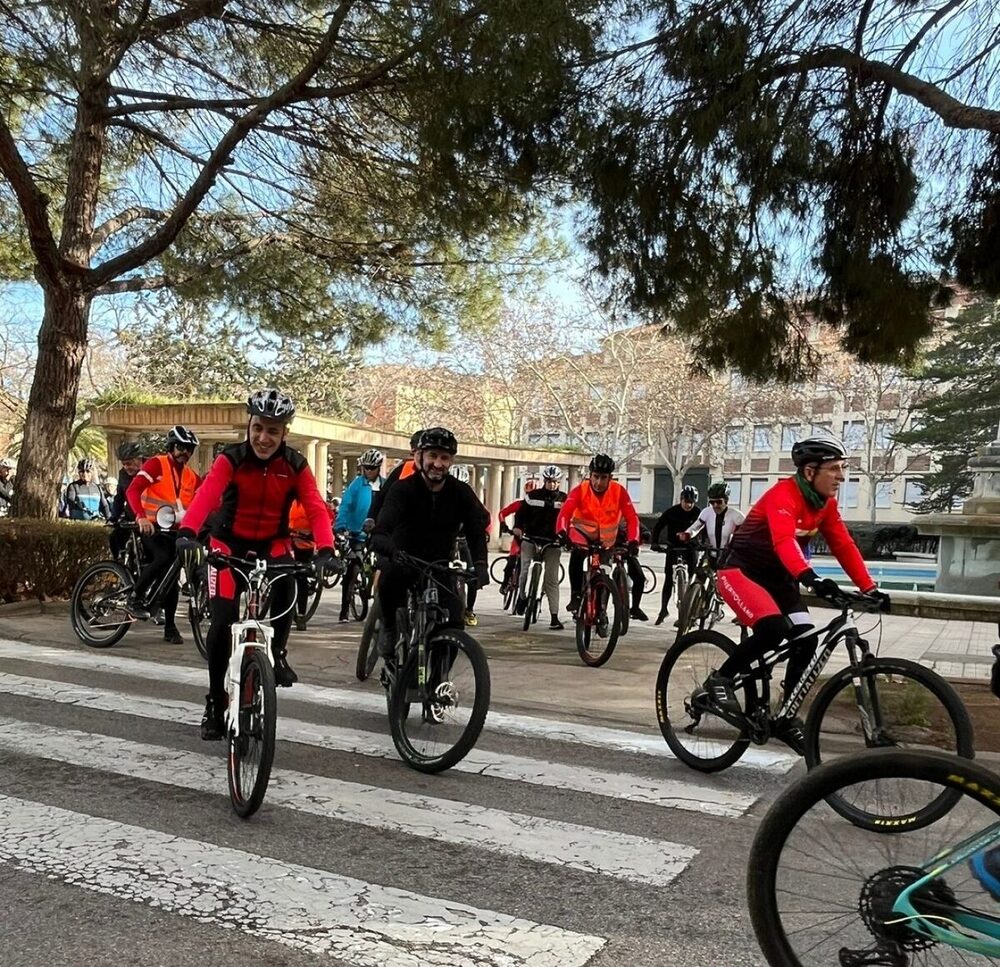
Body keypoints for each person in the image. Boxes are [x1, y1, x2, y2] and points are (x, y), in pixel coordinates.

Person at [695, 436, 888, 752]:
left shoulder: (825, 504)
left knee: (807, 639)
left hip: (779, 578)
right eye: (835, 469)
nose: (841, 476)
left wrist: (870, 588)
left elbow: (842, 544)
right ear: (811, 471)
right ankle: (721, 680)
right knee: (773, 630)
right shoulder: (783, 495)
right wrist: (810, 578)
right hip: (740, 572)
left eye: (843, 469)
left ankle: (785, 716)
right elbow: (784, 541)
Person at [174, 389, 336, 740]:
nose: (264, 438)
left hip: (272, 545)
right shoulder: (230, 459)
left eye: (273, 431)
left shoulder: (294, 464)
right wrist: (187, 531)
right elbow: (207, 495)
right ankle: (216, 700)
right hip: (227, 544)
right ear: (249, 426)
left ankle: (276, 653)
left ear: (284, 434)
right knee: (221, 624)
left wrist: (326, 549)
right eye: (258, 428)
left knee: (291, 584)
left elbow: (315, 507)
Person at [372, 427, 489, 658]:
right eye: (433, 456)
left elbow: (476, 531)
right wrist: (389, 549)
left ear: (451, 461)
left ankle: (436, 681)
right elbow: (382, 528)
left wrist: (480, 563)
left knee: (455, 621)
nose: (438, 463)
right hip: (405, 558)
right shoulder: (402, 489)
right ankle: (389, 628)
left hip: (440, 565)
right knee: (388, 583)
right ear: (420, 457)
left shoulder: (461, 492)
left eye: (444, 458)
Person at [125, 426, 202, 643]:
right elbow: (133, 490)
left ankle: (170, 627)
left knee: (173, 575)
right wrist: (140, 516)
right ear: (170, 447)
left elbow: (206, 500)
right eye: (179, 447)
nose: (184, 452)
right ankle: (135, 598)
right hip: (150, 527)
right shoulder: (156, 464)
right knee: (164, 558)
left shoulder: (191, 476)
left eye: (189, 449)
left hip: (175, 531)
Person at [556, 454, 640, 614]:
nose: (598, 482)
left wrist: (633, 539)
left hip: (606, 541)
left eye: (603, 478)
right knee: (576, 557)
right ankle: (575, 596)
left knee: (605, 573)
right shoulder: (580, 490)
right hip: (582, 534)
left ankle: (602, 609)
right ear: (590, 475)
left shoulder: (619, 491)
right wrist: (561, 532)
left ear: (610, 477)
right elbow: (565, 513)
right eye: (595, 477)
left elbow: (631, 518)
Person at [513, 465, 567, 629]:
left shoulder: (565, 499)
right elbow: (520, 514)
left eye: (555, 482)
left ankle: (554, 617)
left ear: (559, 482)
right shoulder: (533, 496)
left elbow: (569, 519)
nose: (552, 485)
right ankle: (522, 597)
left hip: (553, 543)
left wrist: (565, 537)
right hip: (531, 538)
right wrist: (518, 527)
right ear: (544, 481)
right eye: (549, 481)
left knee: (551, 580)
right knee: (523, 571)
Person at [336, 448, 384, 622]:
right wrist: (341, 526)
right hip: (357, 533)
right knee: (352, 570)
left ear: (379, 468)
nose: (369, 471)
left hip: (378, 534)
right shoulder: (356, 485)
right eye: (366, 468)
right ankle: (344, 610)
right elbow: (346, 506)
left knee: (383, 566)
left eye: (372, 468)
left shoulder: (385, 485)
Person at [650, 485, 701, 624]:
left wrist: (704, 543)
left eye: (691, 502)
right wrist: (654, 543)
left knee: (693, 578)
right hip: (673, 547)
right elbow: (658, 526)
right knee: (668, 579)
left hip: (691, 547)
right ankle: (663, 610)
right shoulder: (672, 512)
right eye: (686, 501)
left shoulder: (698, 512)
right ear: (681, 499)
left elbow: (706, 526)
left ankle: (691, 611)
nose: (688, 505)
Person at [679, 481, 745, 551]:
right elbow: (695, 528)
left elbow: (747, 536)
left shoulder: (737, 516)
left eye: (719, 502)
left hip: (729, 555)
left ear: (726, 501)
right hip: (710, 554)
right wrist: (687, 534)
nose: (715, 505)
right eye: (712, 502)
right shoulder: (706, 512)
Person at [108, 441, 144, 561]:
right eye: (123, 464)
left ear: (139, 459)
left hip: (148, 517)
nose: (126, 467)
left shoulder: (148, 471)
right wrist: (114, 517)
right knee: (114, 537)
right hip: (131, 515)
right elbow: (119, 497)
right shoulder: (123, 474)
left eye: (129, 463)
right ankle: (120, 563)